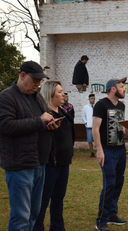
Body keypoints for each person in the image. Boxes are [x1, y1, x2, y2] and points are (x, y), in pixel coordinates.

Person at [0, 61, 59, 231]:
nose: (38, 84)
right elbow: (5, 126)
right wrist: (39, 121)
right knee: (21, 217)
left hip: (39, 163)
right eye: (35, 80)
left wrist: (50, 125)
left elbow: (39, 123)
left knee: (34, 214)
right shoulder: (6, 97)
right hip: (20, 166)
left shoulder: (37, 96)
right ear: (22, 75)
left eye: (40, 81)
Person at [92, 78, 128, 231]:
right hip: (107, 152)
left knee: (117, 183)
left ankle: (111, 215)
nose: (124, 89)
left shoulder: (121, 106)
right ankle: (101, 221)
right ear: (113, 89)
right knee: (109, 185)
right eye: (122, 86)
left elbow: (119, 128)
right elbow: (95, 128)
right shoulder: (101, 105)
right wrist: (99, 150)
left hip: (121, 150)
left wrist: (127, 131)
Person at [34, 81, 75, 231]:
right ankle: (37, 227)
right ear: (50, 95)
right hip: (50, 164)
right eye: (59, 91)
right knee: (43, 200)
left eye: (62, 91)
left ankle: (57, 227)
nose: (63, 94)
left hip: (64, 163)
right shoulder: (45, 116)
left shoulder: (63, 112)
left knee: (58, 199)